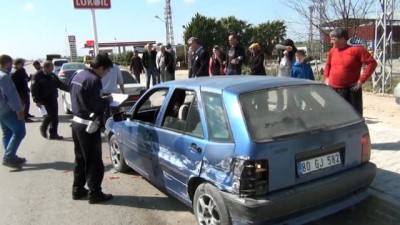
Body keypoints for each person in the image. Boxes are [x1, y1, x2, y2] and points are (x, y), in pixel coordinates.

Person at [69, 53, 114, 204]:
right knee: (94, 161)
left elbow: (81, 97)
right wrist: (107, 101)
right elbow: (96, 106)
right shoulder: (94, 80)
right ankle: (95, 193)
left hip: (76, 124)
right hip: (88, 126)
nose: (106, 74)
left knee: (80, 159)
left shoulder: (78, 75)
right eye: (106, 71)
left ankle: (78, 190)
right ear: (101, 67)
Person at [324, 27, 377, 116]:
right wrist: (326, 78)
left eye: (333, 39)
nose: (331, 42)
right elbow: (328, 64)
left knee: (352, 117)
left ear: (342, 39)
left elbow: (372, 63)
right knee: (332, 116)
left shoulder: (357, 49)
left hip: (350, 91)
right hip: (333, 90)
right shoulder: (332, 50)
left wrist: (361, 81)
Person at [0, 54, 26, 169]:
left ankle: (10, 155)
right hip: (7, 110)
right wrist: (19, 110)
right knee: (20, 131)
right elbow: (10, 95)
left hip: (1, 111)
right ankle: (9, 157)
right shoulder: (4, 77)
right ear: (7, 63)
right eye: (11, 63)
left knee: (7, 133)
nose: (12, 66)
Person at [31, 60, 68, 140]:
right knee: (49, 117)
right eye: (50, 68)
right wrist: (36, 100)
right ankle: (43, 128)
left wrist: (71, 89)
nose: (52, 70)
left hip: (53, 98)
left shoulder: (52, 75)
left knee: (55, 118)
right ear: (45, 67)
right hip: (44, 100)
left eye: (52, 68)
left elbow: (60, 84)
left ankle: (53, 134)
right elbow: (34, 89)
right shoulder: (37, 76)